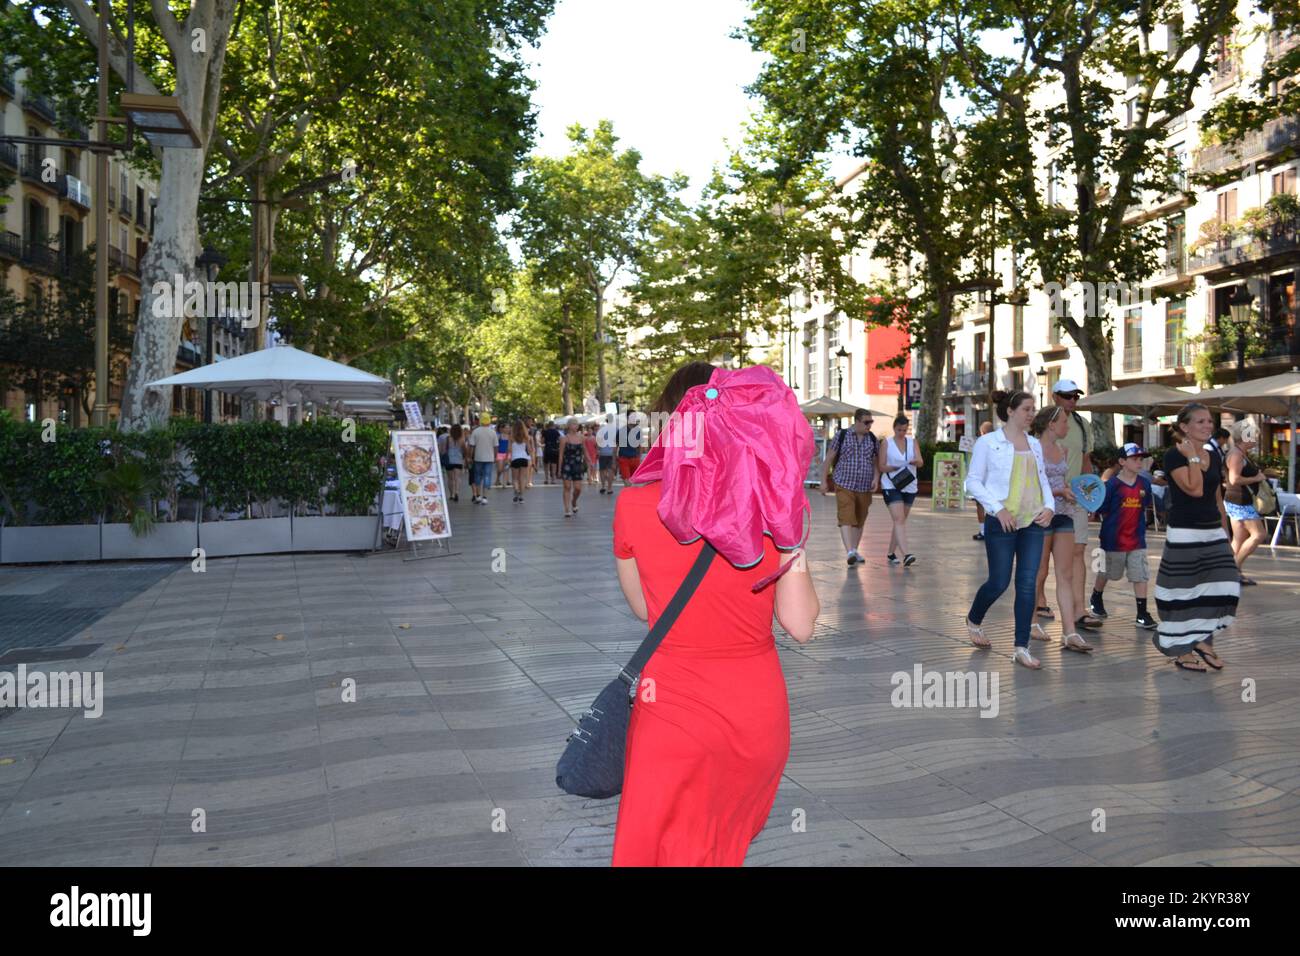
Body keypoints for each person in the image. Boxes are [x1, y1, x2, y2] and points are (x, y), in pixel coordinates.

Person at [612, 362, 819, 866]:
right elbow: (801, 624)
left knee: (658, 844)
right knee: (720, 846)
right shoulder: (772, 509)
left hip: (670, 705)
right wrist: (791, 539)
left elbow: (645, 610)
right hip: (753, 708)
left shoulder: (635, 504)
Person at [964, 390, 1056, 669]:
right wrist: (998, 508)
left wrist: (1049, 506)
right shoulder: (988, 443)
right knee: (999, 582)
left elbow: (1042, 480)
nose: (1032, 414)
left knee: (1027, 584)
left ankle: (1021, 647)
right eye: (1027, 409)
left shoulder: (1034, 444)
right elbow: (973, 482)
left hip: (1033, 522)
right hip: (1002, 520)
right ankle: (973, 618)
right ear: (1011, 411)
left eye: (1033, 409)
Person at [1153, 403, 1238, 672]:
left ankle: (1200, 640)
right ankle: (1185, 650)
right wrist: (1191, 456)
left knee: (1224, 587)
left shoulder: (1214, 454)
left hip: (1212, 529)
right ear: (1184, 427)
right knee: (1183, 592)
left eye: (1209, 422)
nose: (1207, 426)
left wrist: (1225, 532)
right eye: (1200, 422)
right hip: (1185, 531)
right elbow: (1195, 489)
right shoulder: (1173, 456)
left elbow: (1216, 497)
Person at [1029, 406, 1092, 652]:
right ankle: (1032, 622)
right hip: (1042, 513)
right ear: (1051, 425)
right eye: (1065, 422)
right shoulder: (1032, 449)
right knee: (1040, 571)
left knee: (1065, 574)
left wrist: (1069, 491)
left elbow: (1061, 480)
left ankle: (1070, 632)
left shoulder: (1063, 449)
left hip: (1064, 513)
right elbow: (1031, 485)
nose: (1068, 426)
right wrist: (1057, 492)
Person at [1049, 379, 1102, 632]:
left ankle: (1080, 610)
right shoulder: (1042, 421)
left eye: (1075, 397)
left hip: (1075, 496)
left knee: (1079, 550)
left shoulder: (1083, 424)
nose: (1072, 400)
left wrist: (1091, 495)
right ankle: (1039, 601)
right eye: (1067, 396)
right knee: (1042, 557)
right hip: (1047, 496)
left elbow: (1086, 460)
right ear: (1055, 396)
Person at [1089, 443, 1158, 630]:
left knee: (1140, 575)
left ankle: (1142, 613)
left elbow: (1143, 505)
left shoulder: (1144, 483)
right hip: (1113, 539)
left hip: (1137, 538)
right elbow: (1101, 509)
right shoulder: (1112, 485)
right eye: (1134, 459)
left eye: (1141, 459)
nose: (1139, 462)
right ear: (1122, 462)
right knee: (1107, 572)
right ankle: (1096, 596)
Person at [823, 409, 879, 566]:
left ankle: (854, 550)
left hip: (864, 486)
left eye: (871, 422)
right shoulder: (842, 436)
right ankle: (849, 552)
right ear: (857, 421)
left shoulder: (873, 439)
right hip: (843, 483)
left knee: (859, 520)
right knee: (846, 517)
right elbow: (829, 459)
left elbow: (875, 462)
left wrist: (876, 477)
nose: (869, 425)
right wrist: (823, 481)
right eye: (867, 422)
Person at [1224, 421, 1268, 586]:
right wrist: (1256, 478)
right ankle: (1234, 569)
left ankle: (1231, 571)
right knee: (1259, 535)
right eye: (1253, 435)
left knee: (1240, 538)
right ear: (1245, 436)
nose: (1256, 438)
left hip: (1236, 500)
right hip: (1239, 500)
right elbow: (1235, 479)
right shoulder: (1236, 454)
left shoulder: (1239, 453)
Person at [878, 413, 923, 567]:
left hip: (909, 484)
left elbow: (921, 462)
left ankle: (891, 553)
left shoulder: (912, 442)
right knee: (899, 519)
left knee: (901, 520)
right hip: (891, 484)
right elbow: (881, 466)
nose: (901, 433)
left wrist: (915, 461)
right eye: (899, 430)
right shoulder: (887, 443)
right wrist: (893, 466)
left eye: (904, 430)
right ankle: (906, 554)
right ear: (894, 428)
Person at [558, 420, 588, 516]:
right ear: (568, 426)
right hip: (567, 465)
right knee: (567, 487)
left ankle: (574, 501)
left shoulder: (582, 438)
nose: (576, 426)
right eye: (573, 424)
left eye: (577, 424)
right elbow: (561, 455)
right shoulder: (564, 439)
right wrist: (559, 470)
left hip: (578, 465)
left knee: (578, 488)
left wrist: (589, 462)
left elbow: (585, 451)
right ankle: (567, 509)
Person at [972, 421, 995, 540]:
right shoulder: (998, 443)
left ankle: (983, 530)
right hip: (994, 481)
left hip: (982, 480)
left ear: (983, 432)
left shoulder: (981, 443)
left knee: (980, 505)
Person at [467, 417, 498, 505]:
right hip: (489, 458)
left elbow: (472, 446)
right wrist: (495, 456)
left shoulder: (475, 431)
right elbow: (496, 446)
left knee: (478, 476)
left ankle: (478, 495)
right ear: (489, 421)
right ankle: (485, 497)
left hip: (478, 457)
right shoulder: (493, 432)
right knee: (487, 476)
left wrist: (469, 457)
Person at [617, 416, 643, 484]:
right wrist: (614, 460)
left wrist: (639, 458)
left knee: (634, 480)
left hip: (635, 459)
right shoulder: (621, 431)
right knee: (627, 480)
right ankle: (628, 492)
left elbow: (640, 446)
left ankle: (631, 493)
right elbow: (616, 446)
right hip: (624, 459)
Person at [445, 423, 466, 502]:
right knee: (457, 478)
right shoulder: (462, 439)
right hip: (458, 460)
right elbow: (464, 450)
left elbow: (444, 450)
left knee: (450, 479)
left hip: (449, 460)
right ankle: (457, 492)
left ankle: (451, 494)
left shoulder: (448, 439)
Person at [597, 415, 617, 494]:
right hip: (612, 453)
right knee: (611, 470)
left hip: (603, 453)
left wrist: (598, 450)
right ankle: (610, 488)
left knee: (602, 470)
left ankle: (603, 486)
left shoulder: (601, 430)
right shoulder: (616, 430)